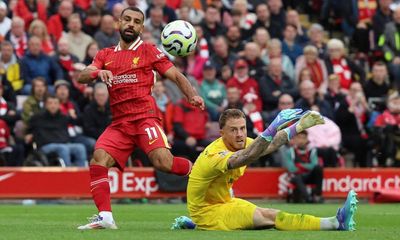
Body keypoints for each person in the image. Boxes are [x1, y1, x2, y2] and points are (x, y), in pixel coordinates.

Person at [77, 6, 204, 230]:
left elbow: (175, 75)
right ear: (119, 22)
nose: (131, 24)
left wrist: (192, 95)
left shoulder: (149, 51)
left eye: (136, 22)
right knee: (98, 159)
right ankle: (105, 217)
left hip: (145, 118)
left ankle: (204, 170)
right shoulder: (105, 54)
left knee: (164, 163)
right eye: (127, 19)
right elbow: (83, 75)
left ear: (141, 28)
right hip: (120, 124)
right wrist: (98, 72)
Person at [171, 108, 358, 231]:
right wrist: (271, 127)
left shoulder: (242, 143)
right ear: (222, 133)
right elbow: (245, 157)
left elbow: (268, 146)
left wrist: (298, 126)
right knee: (269, 216)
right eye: (233, 130)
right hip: (208, 211)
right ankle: (334, 223)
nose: (240, 134)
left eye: (243, 128)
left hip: (225, 202)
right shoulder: (214, 155)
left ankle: (194, 225)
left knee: (265, 214)